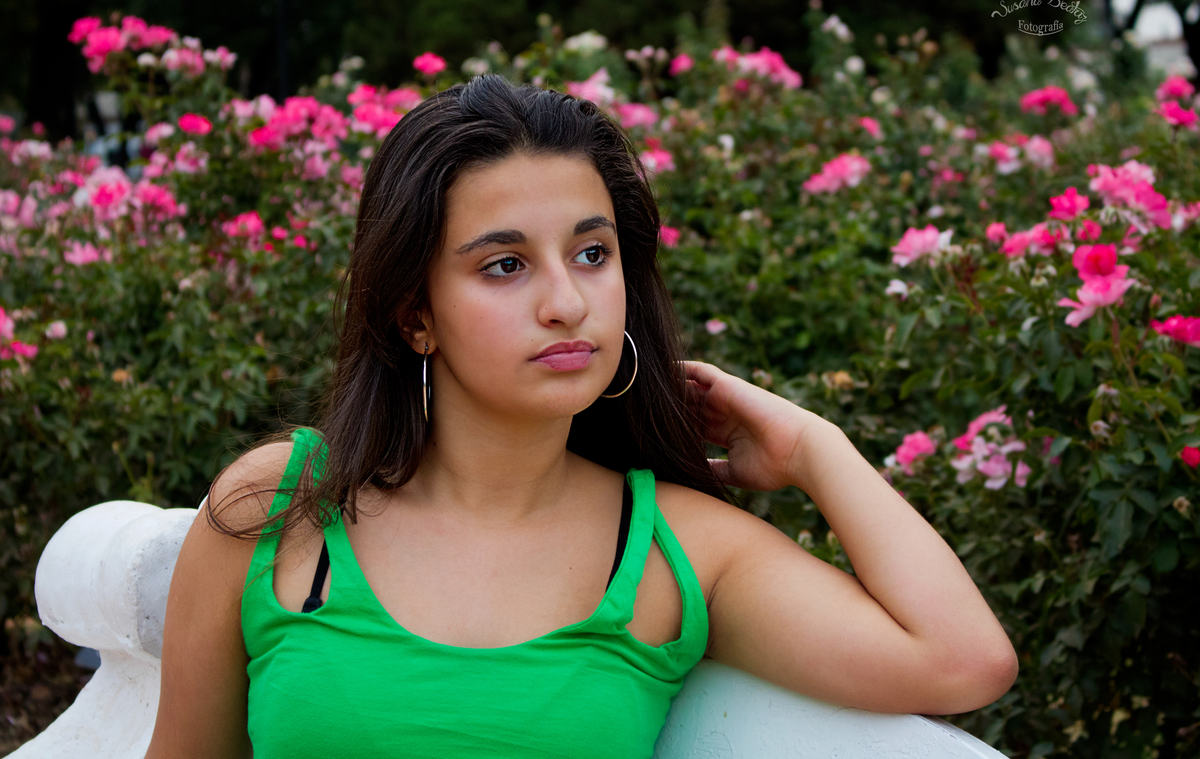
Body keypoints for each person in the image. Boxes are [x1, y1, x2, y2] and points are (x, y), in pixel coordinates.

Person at [145, 73, 1017, 758]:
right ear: (415, 313)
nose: (568, 302)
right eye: (504, 265)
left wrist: (814, 447)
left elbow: (960, 660)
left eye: (592, 254)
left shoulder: (676, 548)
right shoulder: (281, 508)